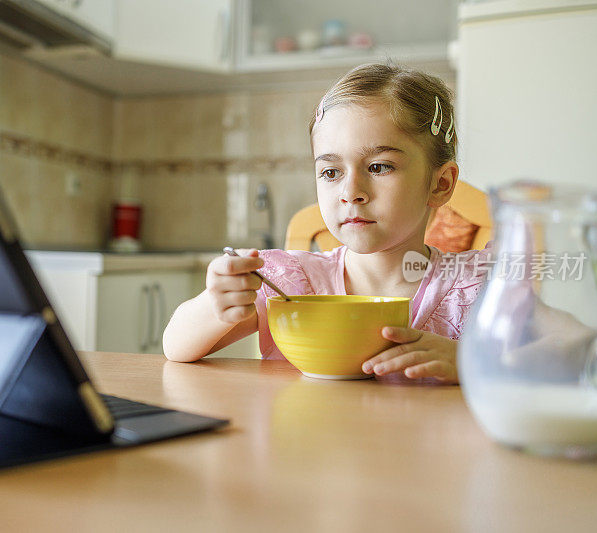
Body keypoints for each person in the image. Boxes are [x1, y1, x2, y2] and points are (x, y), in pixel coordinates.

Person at [162, 63, 492, 384]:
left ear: (441, 184)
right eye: (331, 172)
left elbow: (543, 357)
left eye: (378, 167)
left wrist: (468, 361)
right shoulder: (291, 283)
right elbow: (176, 347)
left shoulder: (478, 286)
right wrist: (216, 302)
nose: (351, 193)